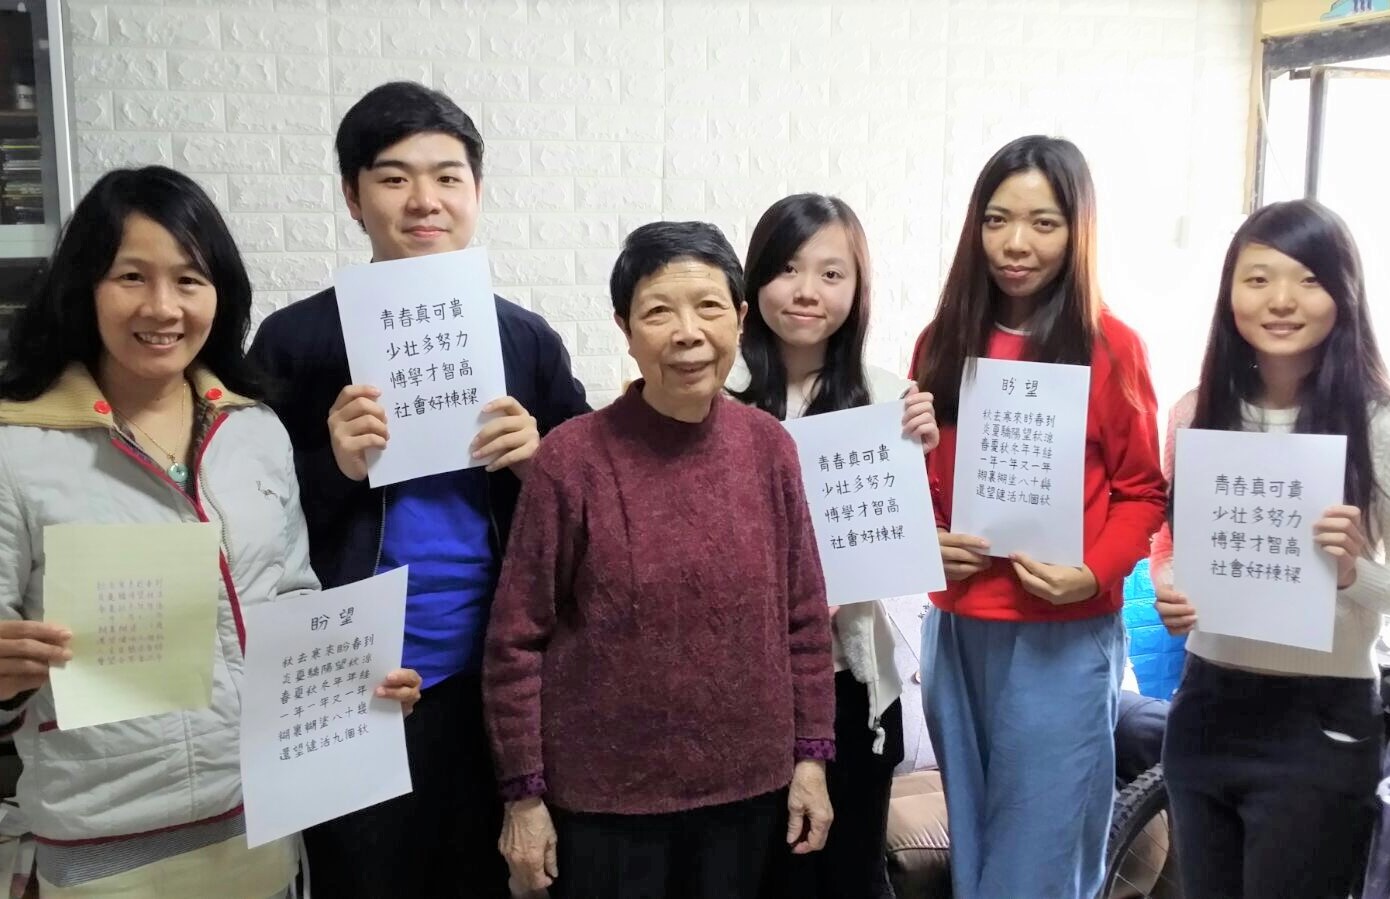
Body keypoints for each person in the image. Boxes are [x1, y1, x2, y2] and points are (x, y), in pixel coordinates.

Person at [0, 166, 421, 897]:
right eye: (132, 275)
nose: (163, 306)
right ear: (85, 286)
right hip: (105, 845)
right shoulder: (17, 445)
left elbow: (291, 596)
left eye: (189, 280)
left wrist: (351, 681)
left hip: (257, 828)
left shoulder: (254, 429)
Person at [248, 81, 588, 898]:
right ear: (352, 197)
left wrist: (540, 465)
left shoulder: (525, 339)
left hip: (495, 685)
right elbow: (243, 526)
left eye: (447, 177)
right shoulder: (294, 341)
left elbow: (592, 509)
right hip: (355, 686)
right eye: (394, 178)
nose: (424, 200)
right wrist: (331, 465)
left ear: (477, 193)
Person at [484, 221, 836, 899]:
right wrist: (523, 797)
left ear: (737, 318)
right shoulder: (572, 458)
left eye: (708, 307)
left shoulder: (770, 448)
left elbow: (803, 618)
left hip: (749, 788)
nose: (686, 332)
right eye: (657, 311)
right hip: (606, 802)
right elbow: (515, 640)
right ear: (625, 327)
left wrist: (812, 758)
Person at [910, 135, 1167, 899]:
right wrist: (928, 540)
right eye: (996, 220)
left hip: (1062, 630)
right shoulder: (942, 340)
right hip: (958, 626)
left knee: (1043, 855)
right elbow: (929, 488)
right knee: (978, 845)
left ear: (1077, 230)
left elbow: (1143, 490)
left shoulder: (1111, 347)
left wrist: (1090, 572)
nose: (1015, 243)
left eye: (1043, 223)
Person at [1153, 199, 1390, 898]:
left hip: (1322, 719)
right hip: (1204, 705)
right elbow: (1175, 542)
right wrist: (1169, 583)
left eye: (1308, 279)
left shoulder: (1377, 423)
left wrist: (1353, 573)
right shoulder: (1197, 414)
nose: (1281, 300)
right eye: (1257, 279)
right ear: (1230, 295)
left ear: (1344, 293)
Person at [725, 193, 936, 899]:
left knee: (847, 873)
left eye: (832, 273)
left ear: (858, 288)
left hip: (850, 679)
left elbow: (912, 541)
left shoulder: (891, 400)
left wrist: (923, 459)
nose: (808, 291)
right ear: (755, 281)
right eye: (787, 268)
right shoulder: (712, 394)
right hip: (740, 682)